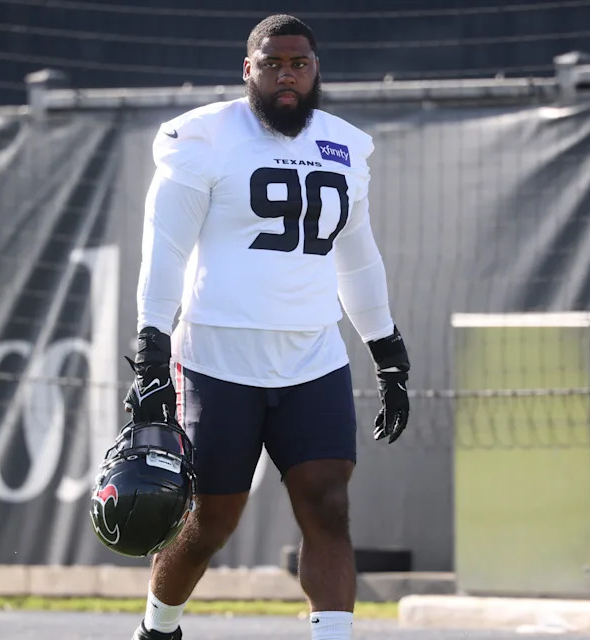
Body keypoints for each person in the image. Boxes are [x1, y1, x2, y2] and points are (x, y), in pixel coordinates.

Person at [124, 13, 411, 640]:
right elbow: (165, 250)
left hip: (313, 358)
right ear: (247, 70)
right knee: (211, 522)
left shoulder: (344, 145)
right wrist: (151, 352)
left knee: (329, 506)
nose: (287, 76)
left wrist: (387, 352)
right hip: (217, 359)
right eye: (273, 64)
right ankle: (158, 628)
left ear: (316, 70)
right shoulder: (203, 137)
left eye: (299, 64)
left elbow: (357, 257)